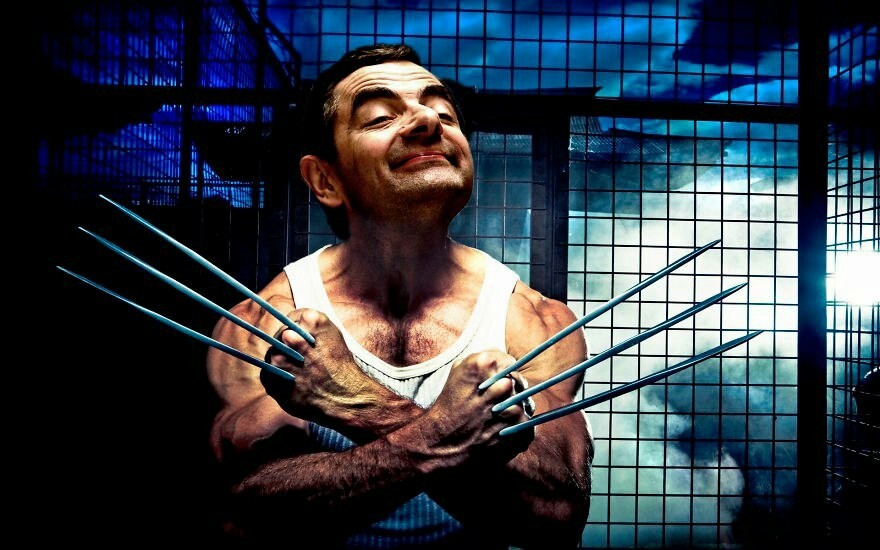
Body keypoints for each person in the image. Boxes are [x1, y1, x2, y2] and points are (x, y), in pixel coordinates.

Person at [207, 43, 593, 549]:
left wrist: (356, 400)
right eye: (380, 117)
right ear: (325, 179)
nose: (428, 122)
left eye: (444, 113)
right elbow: (242, 517)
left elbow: (557, 513)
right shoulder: (264, 323)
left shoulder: (532, 320)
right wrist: (449, 435)